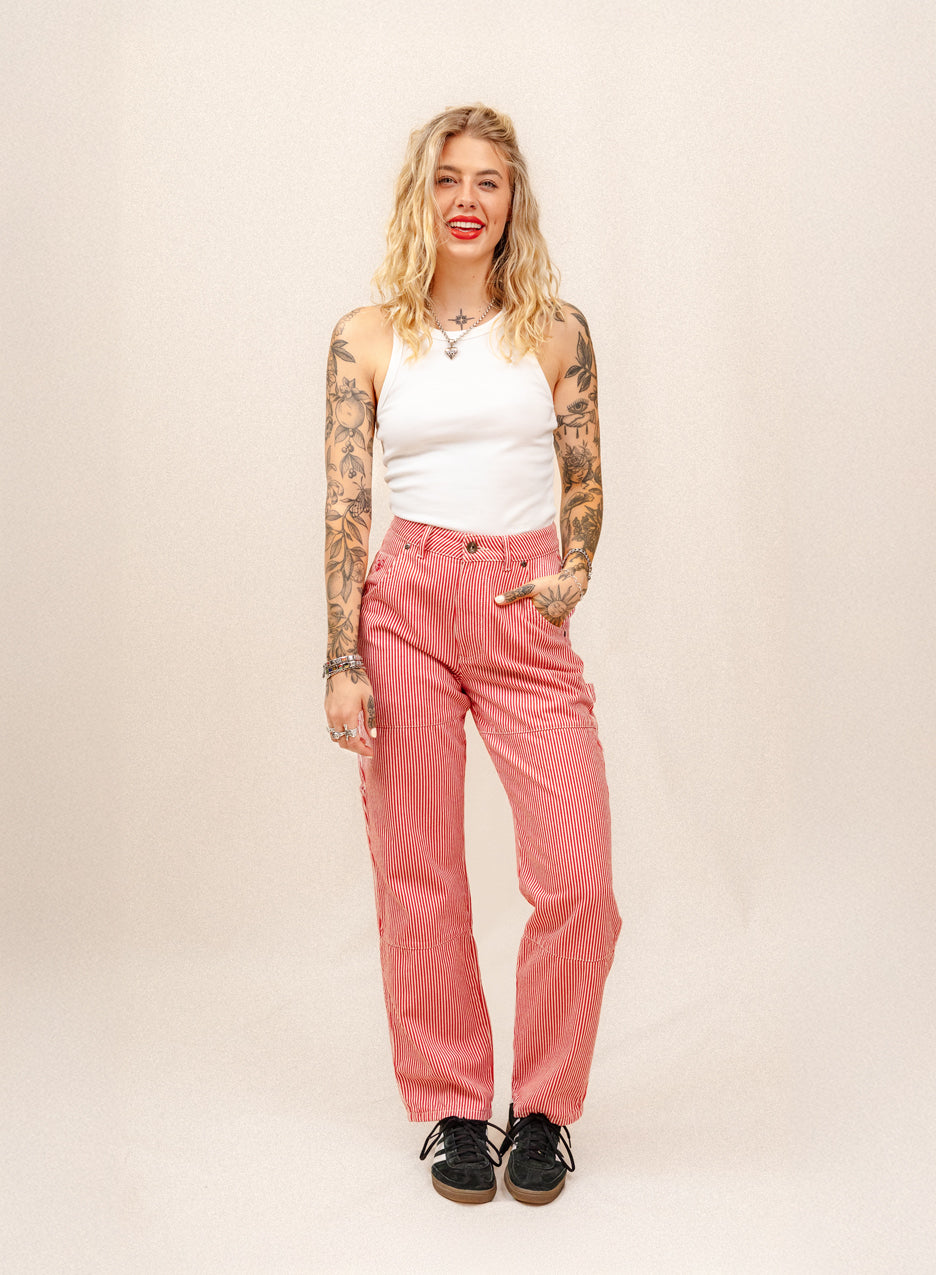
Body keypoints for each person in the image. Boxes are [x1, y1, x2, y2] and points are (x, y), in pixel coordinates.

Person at [322, 103, 622, 1206]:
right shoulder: (366, 336)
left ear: (512, 201)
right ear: (422, 193)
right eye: (448, 178)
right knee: (421, 870)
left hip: (519, 604)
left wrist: (573, 574)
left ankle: (542, 1110)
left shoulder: (556, 330)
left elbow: (585, 479)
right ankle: (455, 1105)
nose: (466, 198)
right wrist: (339, 658)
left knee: (579, 881)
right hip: (402, 601)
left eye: (488, 181)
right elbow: (346, 506)